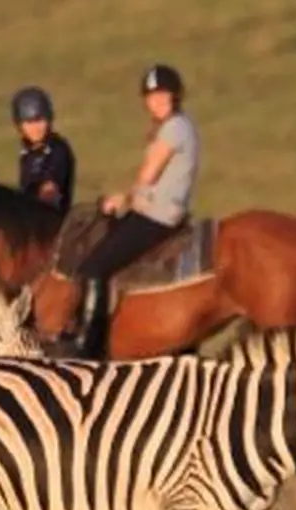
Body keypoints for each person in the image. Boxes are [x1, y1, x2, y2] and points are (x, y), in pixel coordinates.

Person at [70, 63, 199, 357]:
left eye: (162, 95)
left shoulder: (174, 129)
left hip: (157, 217)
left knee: (94, 268)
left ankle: (88, 347)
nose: (156, 101)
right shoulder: (182, 125)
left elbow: (148, 174)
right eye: (151, 97)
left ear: (175, 96)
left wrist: (121, 199)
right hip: (162, 211)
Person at [12, 86, 76, 217]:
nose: (35, 128)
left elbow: (50, 190)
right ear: (20, 126)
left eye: (39, 120)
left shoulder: (58, 149)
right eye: (29, 122)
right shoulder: (28, 154)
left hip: (53, 223)